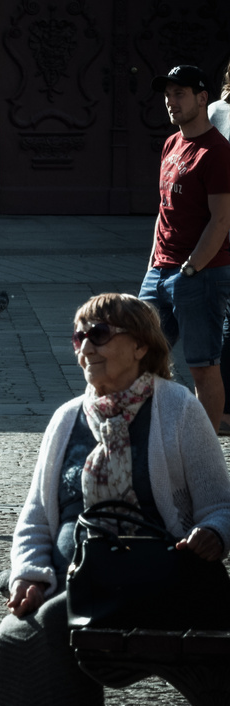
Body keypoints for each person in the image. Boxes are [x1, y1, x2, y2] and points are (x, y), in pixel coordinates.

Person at [0, 293, 230, 706]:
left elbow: (219, 504)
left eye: (100, 334)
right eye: (79, 336)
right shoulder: (67, 418)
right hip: (83, 577)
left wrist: (213, 532)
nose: (85, 347)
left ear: (140, 345)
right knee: (29, 617)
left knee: (47, 623)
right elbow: (35, 516)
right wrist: (29, 570)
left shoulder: (178, 408)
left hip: (158, 580)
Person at [139, 64, 230, 434]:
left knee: (203, 366)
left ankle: (203, 450)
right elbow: (164, 212)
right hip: (159, 272)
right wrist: (152, 265)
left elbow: (221, 221)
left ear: (202, 98)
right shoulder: (171, 144)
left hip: (200, 274)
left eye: (180, 94)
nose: (171, 102)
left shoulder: (217, 152)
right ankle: (149, 436)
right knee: (137, 356)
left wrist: (190, 269)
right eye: (167, 95)